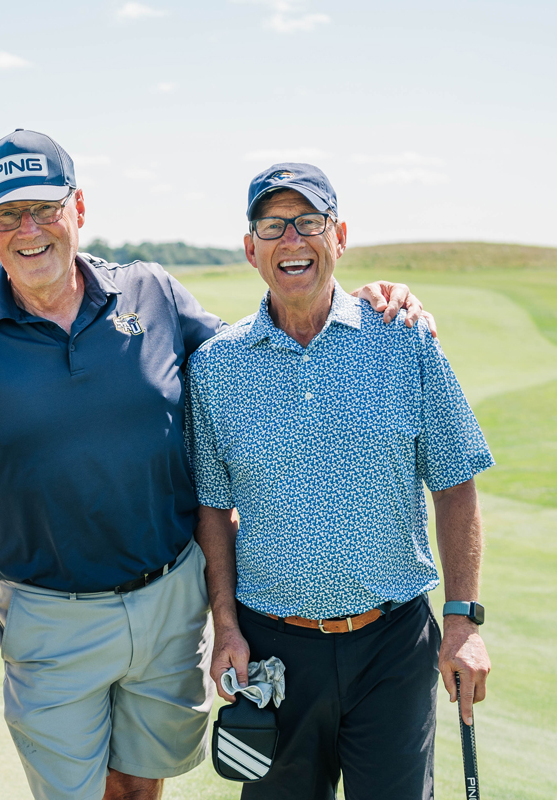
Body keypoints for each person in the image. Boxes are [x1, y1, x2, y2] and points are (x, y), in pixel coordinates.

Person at [0, 129, 435, 800]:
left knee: (140, 787)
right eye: (7, 215)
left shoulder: (152, 293)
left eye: (45, 209)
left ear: (78, 209)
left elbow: (251, 357)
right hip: (46, 615)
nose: (29, 230)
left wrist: (354, 303)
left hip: (170, 598)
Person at [185, 163, 492, 799]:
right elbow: (212, 508)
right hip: (273, 648)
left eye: (308, 223)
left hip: (392, 645)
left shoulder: (404, 340)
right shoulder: (216, 367)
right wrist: (226, 628)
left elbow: (455, 481)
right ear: (250, 249)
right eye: (272, 227)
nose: (291, 240)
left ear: (340, 235)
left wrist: (462, 621)